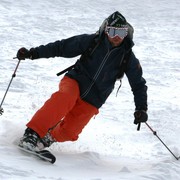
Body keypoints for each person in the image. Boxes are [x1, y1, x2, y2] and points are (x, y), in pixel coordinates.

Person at [16, 11, 148, 151]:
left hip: (95, 97)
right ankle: (32, 134)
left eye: (121, 33)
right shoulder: (92, 42)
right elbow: (61, 47)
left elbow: (138, 85)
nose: (116, 37)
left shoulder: (128, 58)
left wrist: (141, 108)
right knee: (65, 98)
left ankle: (47, 138)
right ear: (106, 30)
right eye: (113, 31)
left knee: (70, 132)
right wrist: (33, 53)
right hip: (75, 81)